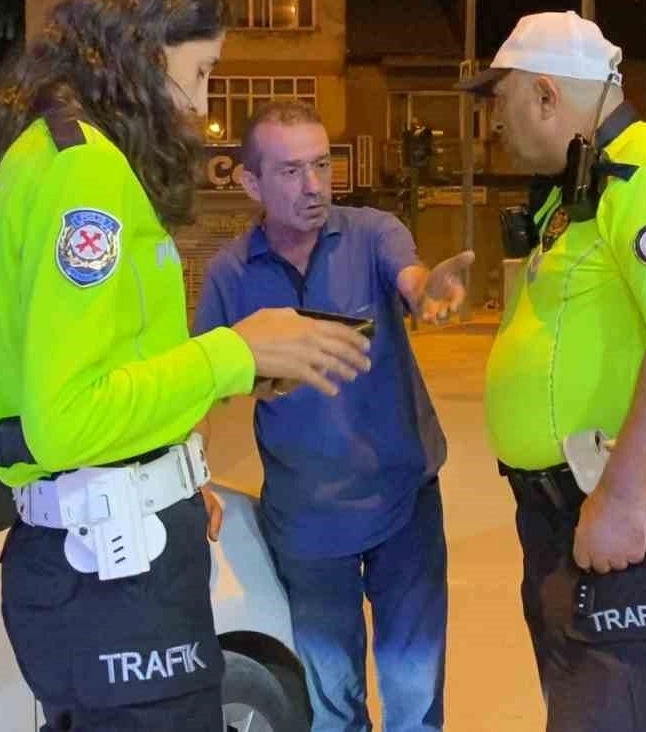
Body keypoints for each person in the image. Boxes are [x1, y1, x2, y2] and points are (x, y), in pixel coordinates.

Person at [0, 0, 373, 732]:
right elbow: (69, 415)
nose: (201, 105)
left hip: (100, 563)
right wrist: (232, 353)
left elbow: (112, 370)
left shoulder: (46, 151)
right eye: (202, 71)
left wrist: (184, 449)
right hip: (116, 581)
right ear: (144, 51)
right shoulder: (85, 172)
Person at [460, 11, 646, 732]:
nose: (494, 123)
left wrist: (623, 498)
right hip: (565, 509)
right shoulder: (578, 187)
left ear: (546, 94)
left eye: (501, 101)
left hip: (629, 502)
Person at [192, 100, 469, 732]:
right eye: (291, 171)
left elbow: (410, 276)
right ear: (251, 183)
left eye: (321, 165)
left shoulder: (371, 233)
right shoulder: (231, 274)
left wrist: (428, 291)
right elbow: (199, 386)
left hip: (404, 503)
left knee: (414, 695)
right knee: (332, 704)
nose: (313, 185)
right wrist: (192, 472)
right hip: (306, 522)